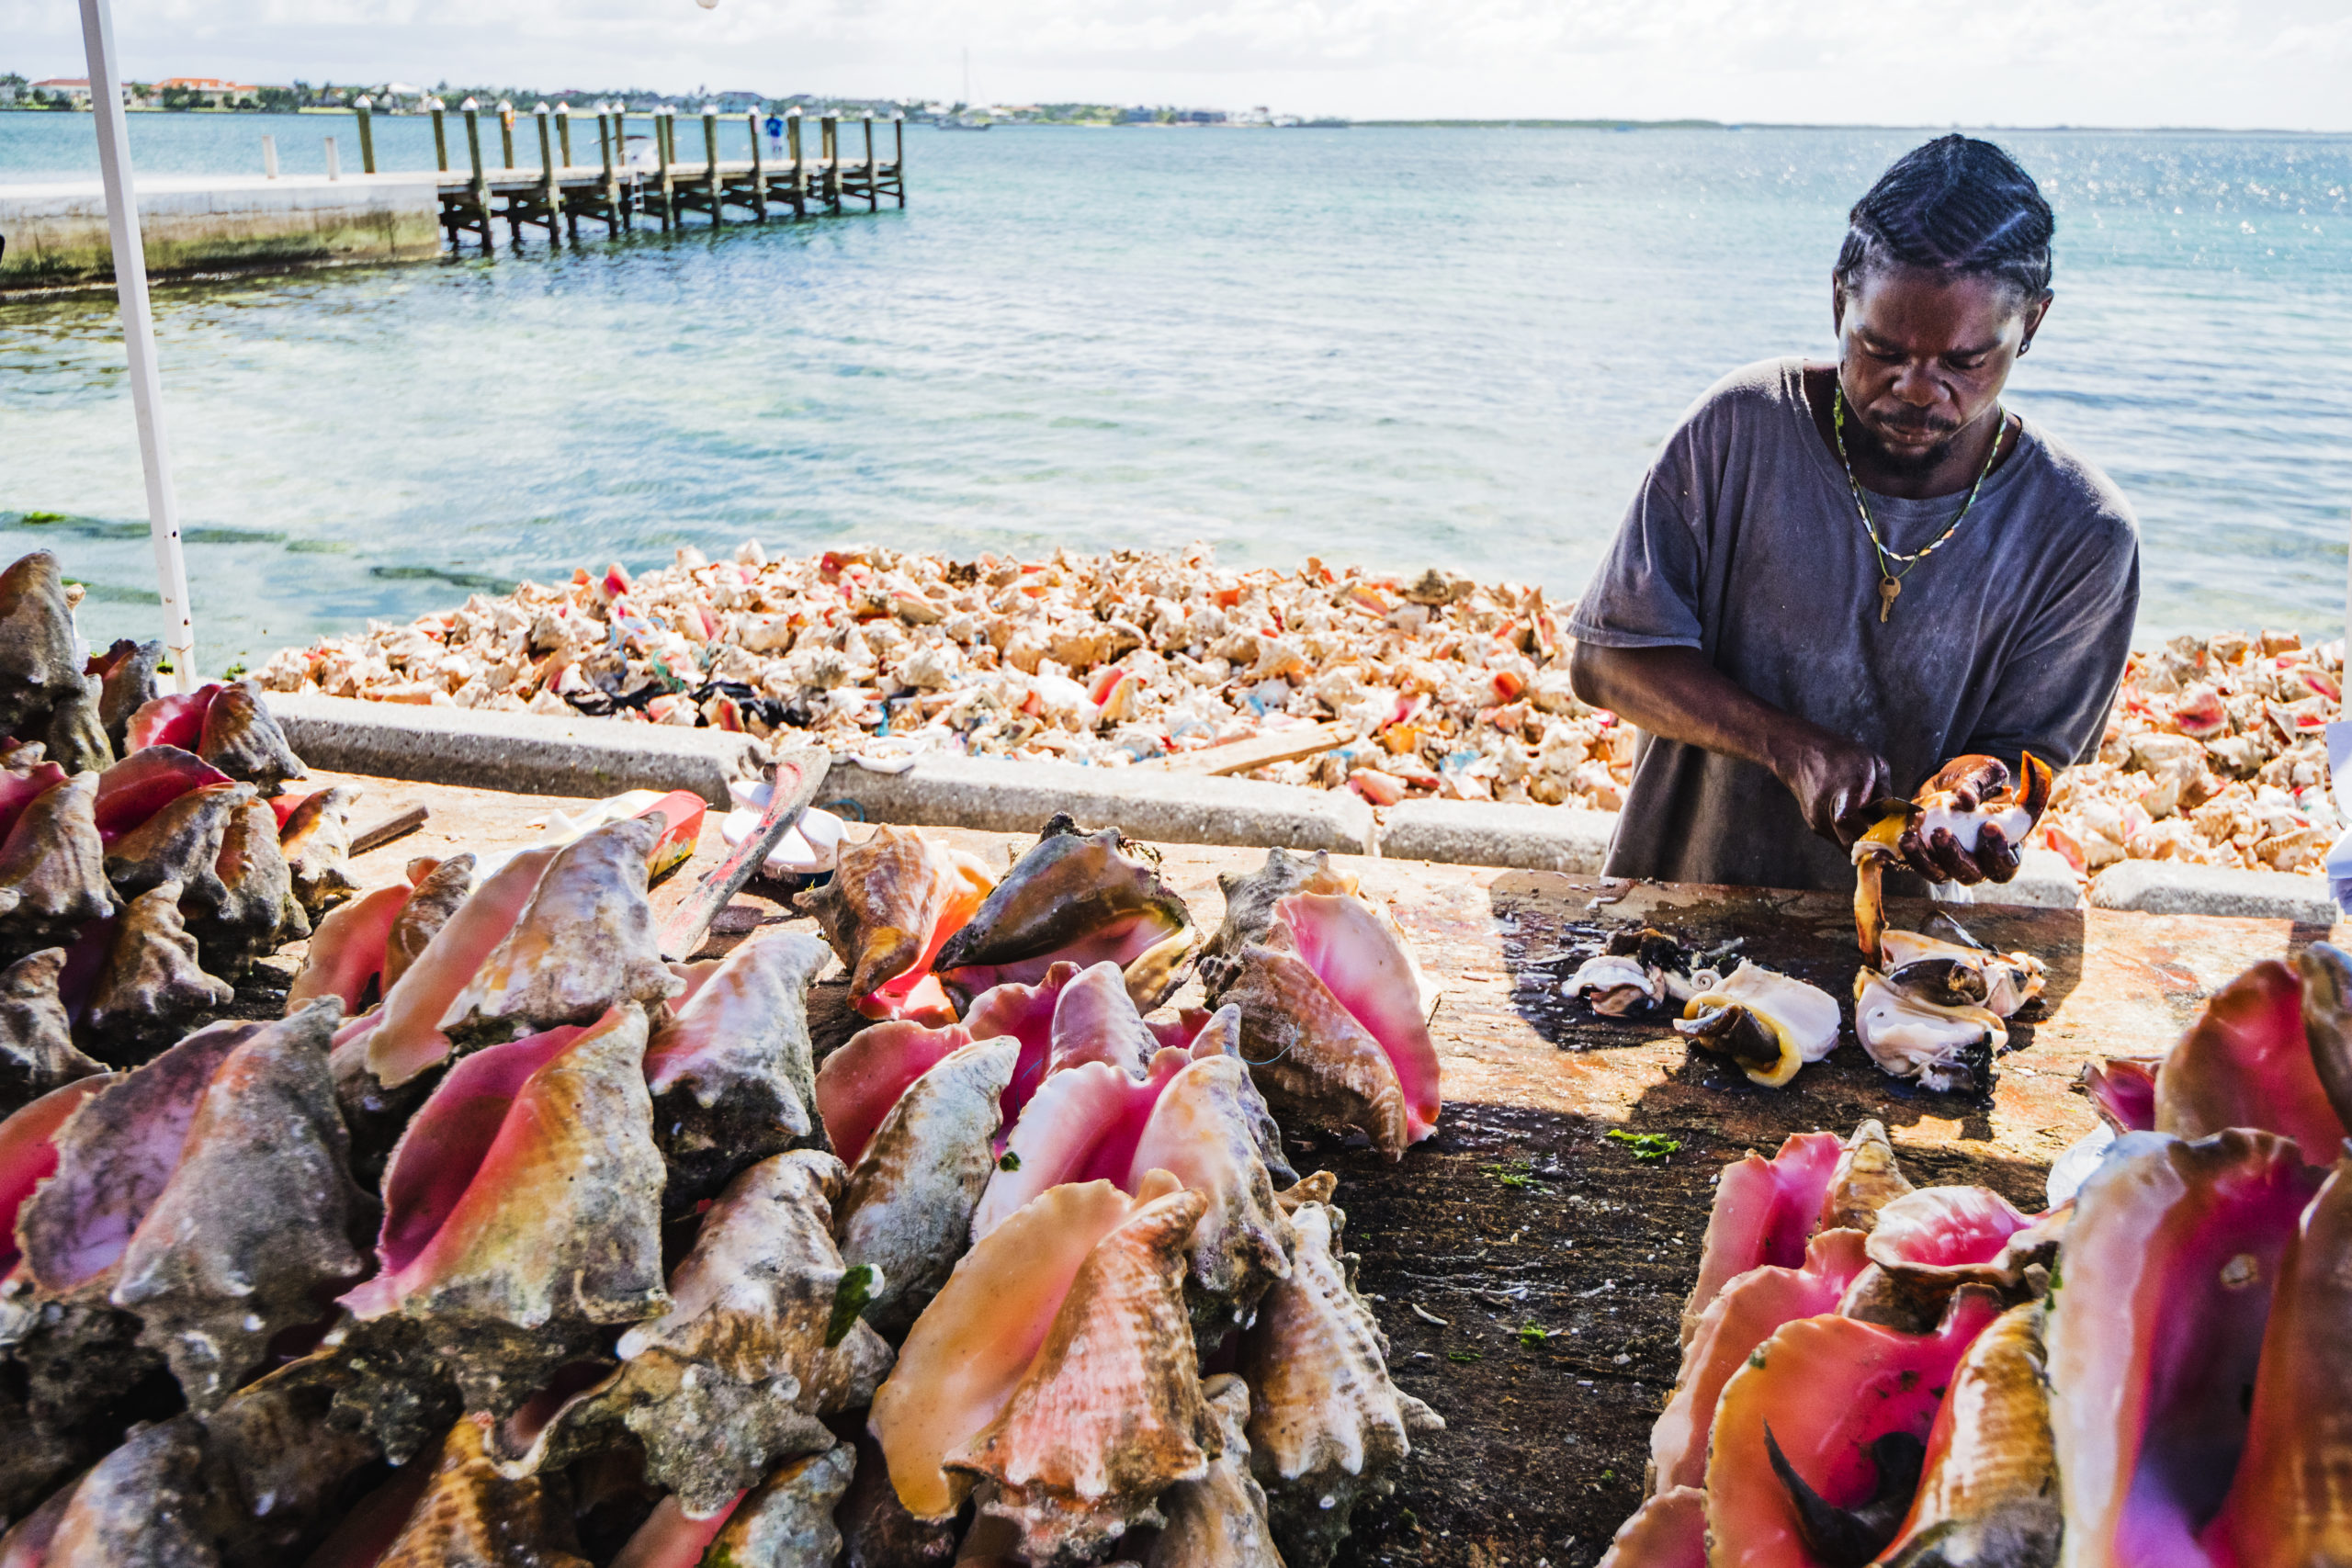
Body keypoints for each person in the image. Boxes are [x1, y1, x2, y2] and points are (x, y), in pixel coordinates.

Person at [1566, 135, 2139, 895]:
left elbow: (2024, 757)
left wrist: (1978, 801)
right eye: (1879, 348)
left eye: (1964, 362)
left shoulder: (2082, 532)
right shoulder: (1740, 429)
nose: (1915, 387)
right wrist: (1786, 745)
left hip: (1904, 972)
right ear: (1839, 298)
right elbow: (1603, 661)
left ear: (2030, 325)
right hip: (1672, 915)